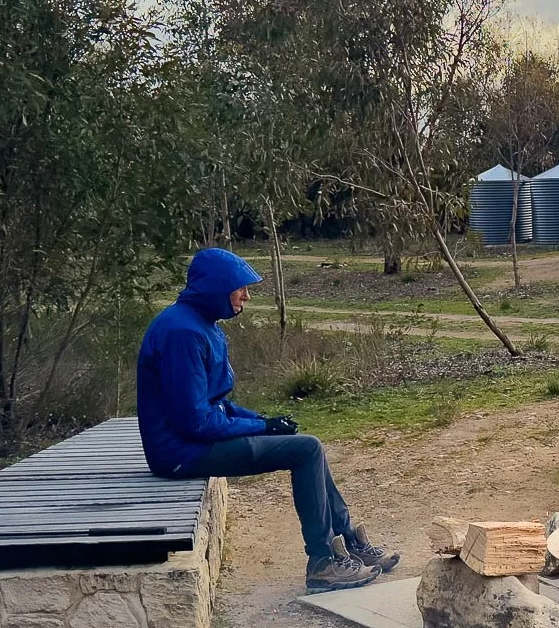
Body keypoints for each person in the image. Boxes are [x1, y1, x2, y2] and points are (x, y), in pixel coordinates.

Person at [137, 247, 400, 594]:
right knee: (305, 450)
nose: (246, 295)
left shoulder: (200, 325)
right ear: (216, 288)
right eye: (239, 287)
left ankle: (349, 542)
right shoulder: (182, 333)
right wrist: (261, 428)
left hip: (191, 443)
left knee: (308, 447)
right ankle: (323, 563)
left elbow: (217, 404)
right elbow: (194, 422)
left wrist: (264, 420)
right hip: (178, 453)